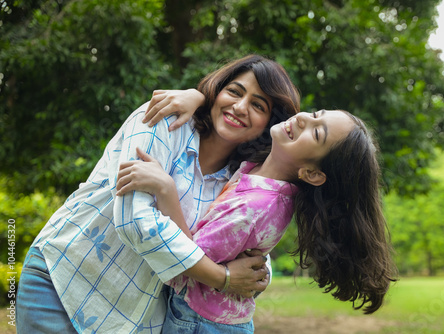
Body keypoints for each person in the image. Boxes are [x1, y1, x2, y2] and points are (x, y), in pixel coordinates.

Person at [16, 54, 301, 333]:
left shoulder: (242, 181)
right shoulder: (164, 119)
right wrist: (221, 277)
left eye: (258, 105)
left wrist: (256, 276)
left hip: (136, 320)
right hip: (64, 284)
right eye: (234, 92)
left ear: (270, 123)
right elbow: (135, 221)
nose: (239, 107)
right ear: (216, 92)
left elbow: (249, 250)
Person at [116, 109, 396, 332]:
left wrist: (165, 189)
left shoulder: (255, 207)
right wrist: (195, 96)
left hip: (200, 323)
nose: (302, 119)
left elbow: (184, 261)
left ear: (311, 173)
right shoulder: (261, 176)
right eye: (315, 115)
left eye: (316, 132)